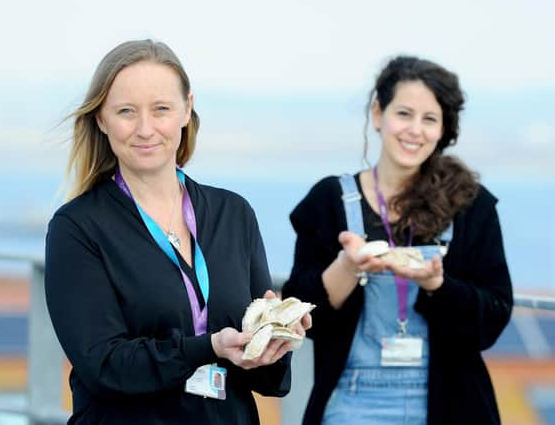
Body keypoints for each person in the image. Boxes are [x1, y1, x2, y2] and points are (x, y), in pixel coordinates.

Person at [44, 39, 309, 425]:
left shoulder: (233, 213)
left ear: (187, 109)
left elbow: (267, 379)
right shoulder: (77, 228)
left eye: (161, 109)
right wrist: (209, 346)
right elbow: (103, 366)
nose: (145, 128)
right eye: (126, 112)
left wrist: (275, 339)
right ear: (101, 119)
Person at [282, 56, 513, 425]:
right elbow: (300, 317)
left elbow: (494, 317)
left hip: (450, 403)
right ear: (378, 114)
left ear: (443, 129)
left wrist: (437, 285)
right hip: (351, 402)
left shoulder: (471, 205)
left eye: (430, 119)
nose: (415, 130)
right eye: (404, 113)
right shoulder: (329, 202)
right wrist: (346, 266)